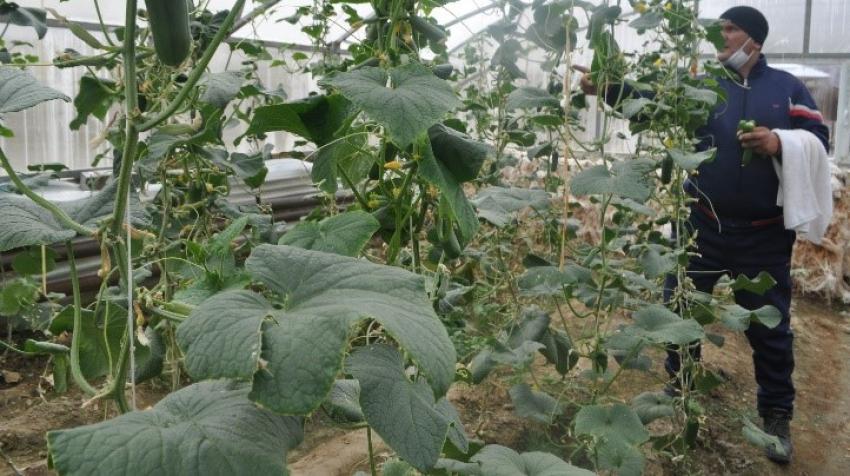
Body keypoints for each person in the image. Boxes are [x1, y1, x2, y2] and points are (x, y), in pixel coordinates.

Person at [578, 5, 830, 465]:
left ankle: (775, 412)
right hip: (700, 227)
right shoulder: (703, 86)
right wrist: (609, 88)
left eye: (730, 30)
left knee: (770, 329)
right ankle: (680, 389)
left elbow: (818, 139)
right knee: (681, 312)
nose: (722, 37)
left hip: (764, 235)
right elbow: (652, 101)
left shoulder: (785, 88)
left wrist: (779, 140)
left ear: (754, 39)